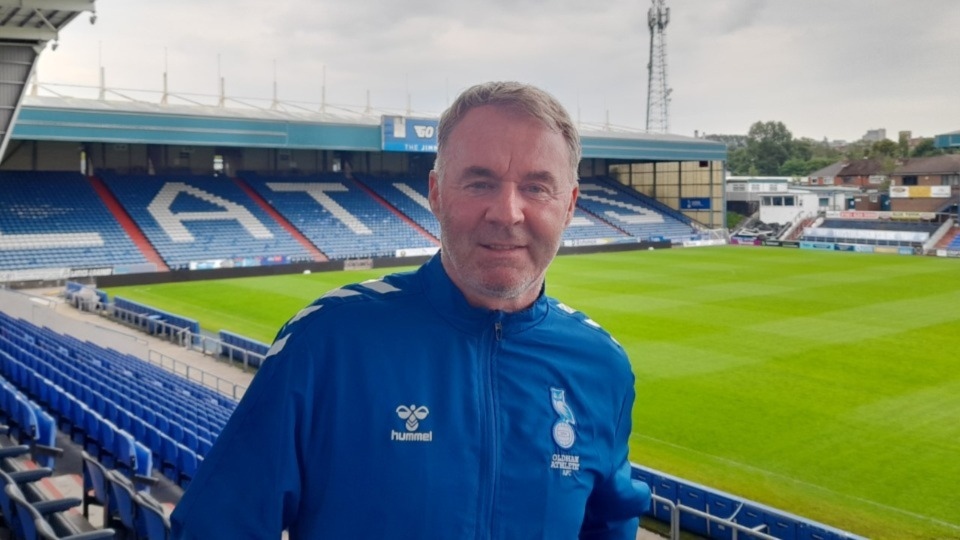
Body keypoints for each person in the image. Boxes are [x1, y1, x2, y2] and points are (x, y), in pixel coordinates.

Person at [171, 81, 651, 539]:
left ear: (569, 206)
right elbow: (215, 526)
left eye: (537, 187)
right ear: (436, 193)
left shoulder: (601, 366)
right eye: (479, 182)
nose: (507, 213)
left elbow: (609, 525)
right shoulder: (329, 342)